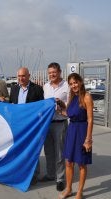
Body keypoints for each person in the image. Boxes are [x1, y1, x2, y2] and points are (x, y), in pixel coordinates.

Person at [58, 73, 93, 199]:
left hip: (82, 131)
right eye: (71, 84)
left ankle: (79, 192)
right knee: (68, 162)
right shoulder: (72, 97)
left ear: (80, 82)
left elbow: (90, 120)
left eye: (75, 82)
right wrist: (60, 108)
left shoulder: (87, 96)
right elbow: (68, 113)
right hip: (71, 130)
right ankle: (68, 189)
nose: (74, 85)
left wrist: (88, 139)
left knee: (81, 163)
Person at [9, 67, 44, 186]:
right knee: (18, 150)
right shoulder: (13, 89)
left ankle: (34, 175)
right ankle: (20, 172)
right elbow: (11, 107)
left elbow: (42, 108)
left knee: (32, 150)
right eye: (19, 76)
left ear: (29, 76)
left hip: (32, 127)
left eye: (23, 76)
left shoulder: (38, 89)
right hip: (18, 126)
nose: (21, 78)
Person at [40, 62, 69, 192]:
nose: (52, 74)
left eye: (54, 72)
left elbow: (71, 105)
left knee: (59, 152)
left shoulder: (67, 86)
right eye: (50, 72)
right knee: (49, 151)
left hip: (60, 123)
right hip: (47, 124)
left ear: (59, 72)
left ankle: (60, 179)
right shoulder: (45, 86)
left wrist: (61, 103)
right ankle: (51, 174)